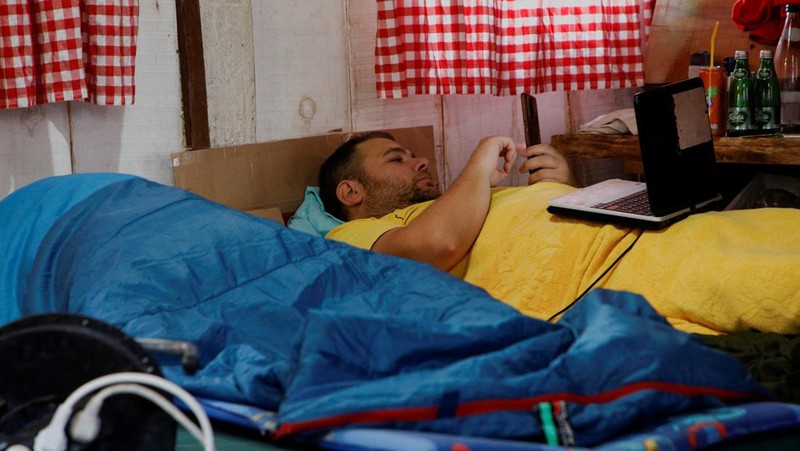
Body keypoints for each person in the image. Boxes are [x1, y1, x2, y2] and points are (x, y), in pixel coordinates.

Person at [319, 132, 800, 336]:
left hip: (665, 231)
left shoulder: (454, 204)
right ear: (351, 191)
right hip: (625, 271)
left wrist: (562, 187)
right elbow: (436, 246)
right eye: (396, 159)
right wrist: (479, 163)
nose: (420, 160)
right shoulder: (351, 239)